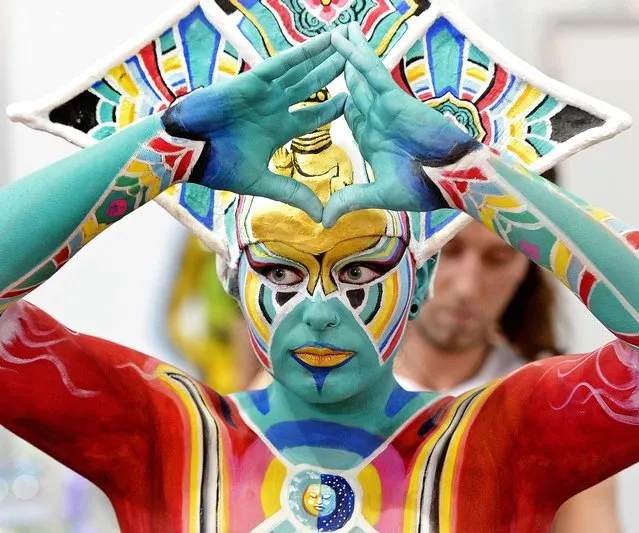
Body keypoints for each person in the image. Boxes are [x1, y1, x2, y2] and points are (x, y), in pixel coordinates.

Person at [1, 24, 638, 533]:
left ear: (419, 281)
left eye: (360, 268)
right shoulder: (159, 432)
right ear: (230, 274)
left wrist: (472, 175)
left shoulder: (505, 438)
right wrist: (166, 149)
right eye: (279, 269)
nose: (321, 310)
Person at [395, 217, 622, 533]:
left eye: (498, 258)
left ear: (526, 266)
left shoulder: (560, 406)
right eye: (449, 249)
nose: (467, 287)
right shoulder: (333, 383)